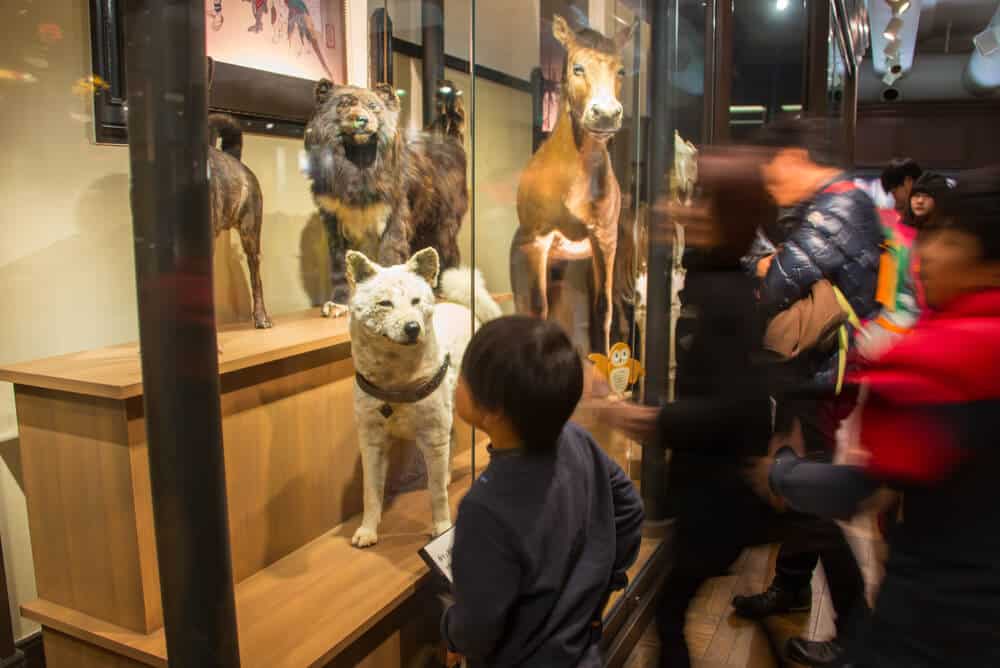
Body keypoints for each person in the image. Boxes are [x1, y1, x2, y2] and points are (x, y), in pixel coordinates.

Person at [763, 165, 1000, 666]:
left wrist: (778, 473)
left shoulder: (945, 363)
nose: (928, 254)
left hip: (934, 620)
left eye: (949, 240)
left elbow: (861, 488)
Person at [732, 118, 879, 667]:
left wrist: (756, 255)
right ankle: (791, 585)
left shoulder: (839, 208)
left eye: (772, 172)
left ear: (795, 157)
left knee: (812, 497)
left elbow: (776, 282)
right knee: (793, 483)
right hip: (809, 375)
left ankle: (855, 632)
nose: (770, 184)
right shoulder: (830, 206)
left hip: (822, 380)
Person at [440, 316, 644, 667]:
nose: (457, 383)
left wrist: (451, 632)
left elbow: (478, 625)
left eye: (462, 377)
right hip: (583, 651)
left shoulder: (484, 508)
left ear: (494, 410)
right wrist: (597, 586)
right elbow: (629, 509)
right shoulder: (577, 439)